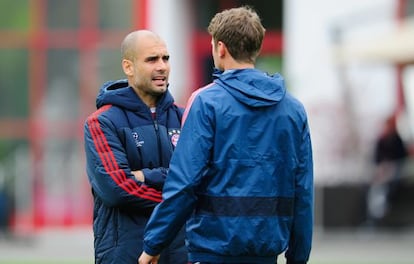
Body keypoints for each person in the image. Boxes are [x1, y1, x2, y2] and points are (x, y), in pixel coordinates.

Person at [139, 6, 313, 264]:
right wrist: (298, 257)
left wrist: (153, 245)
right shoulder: (293, 110)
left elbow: (184, 182)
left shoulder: (206, 103)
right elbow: (303, 191)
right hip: (266, 254)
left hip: (212, 251)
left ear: (220, 48)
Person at [84, 30, 187, 264]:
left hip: (180, 253)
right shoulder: (102, 122)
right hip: (126, 255)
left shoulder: (186, 118)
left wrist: (147, 175)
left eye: (166, 58)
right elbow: (116, 190)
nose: (162, 66)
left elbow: (202, 178)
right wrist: (179, 198)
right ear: (128, 67)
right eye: (152, 60)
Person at [366, 114, 408, 226]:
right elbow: (376, 158)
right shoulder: (381, 140)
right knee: (375, 189)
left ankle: (382, 211)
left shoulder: (397, 139)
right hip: (382, 172)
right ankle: (374, 215)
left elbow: (402, 157)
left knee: (388, 187)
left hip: (394, 171)